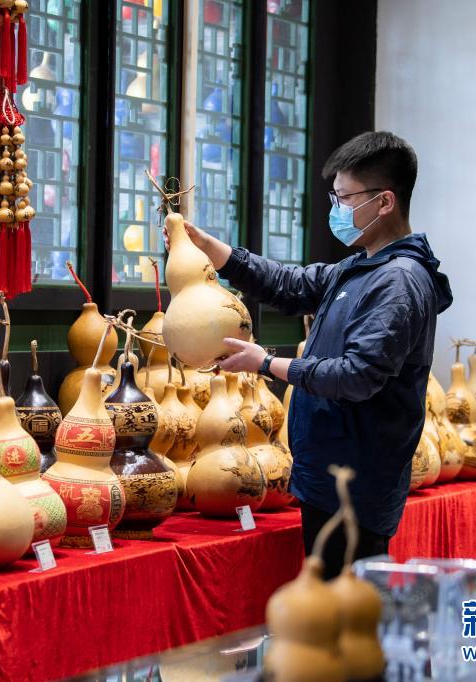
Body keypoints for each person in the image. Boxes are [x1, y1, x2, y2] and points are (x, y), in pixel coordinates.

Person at [165, 131, 453, 579]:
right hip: (329, 474)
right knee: (331, 602)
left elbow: (357, 375)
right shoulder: (360, 267)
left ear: (384, 202)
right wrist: (213, 251)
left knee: (345, 607)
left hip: (355, 482)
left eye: (345, 198)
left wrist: (266, 364)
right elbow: (290, 284)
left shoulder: (398, 281)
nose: (336, 209)